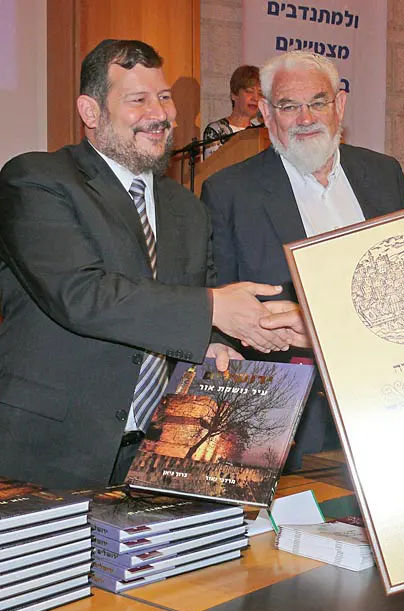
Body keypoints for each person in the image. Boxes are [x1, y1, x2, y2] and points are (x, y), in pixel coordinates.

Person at [0, 39, 296, 490]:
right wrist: (213, 310)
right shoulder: (36, 179)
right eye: (138, 99)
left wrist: (239, 333)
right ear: (91, 111)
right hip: (48, 451)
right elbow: (81, 295)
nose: (159, 114)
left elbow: (196, 304)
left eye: (164, 97)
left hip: (156, 456)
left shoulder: (187, 208)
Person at [201, 51, 404, 469]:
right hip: (291, 421)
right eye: (288, 106)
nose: (305, 118)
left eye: (318, 102)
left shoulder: (385, 174)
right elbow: (220, 309)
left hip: (389, 405)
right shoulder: (228, 193)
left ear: (340, 105)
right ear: (265, 112)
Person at [202, 65, 262, 158]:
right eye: (249, 91)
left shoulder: (260, 134)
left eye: (260, 93)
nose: (256, 98)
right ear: (234, 95)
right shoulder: (216, 130)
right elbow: (213, 170)